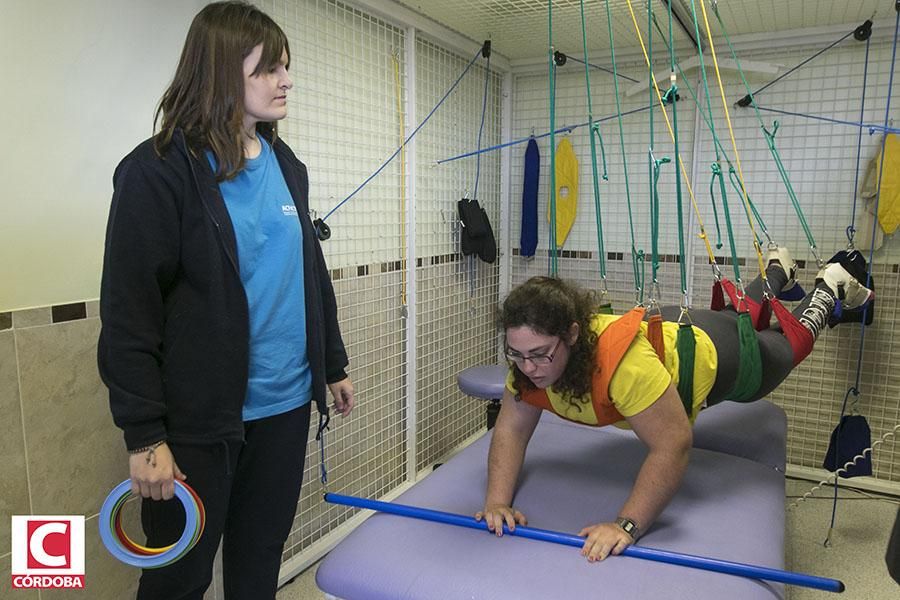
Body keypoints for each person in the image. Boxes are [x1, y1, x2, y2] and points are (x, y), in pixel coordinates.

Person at [97, 3, 354, 598]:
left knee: (257, 564)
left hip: (285, 409)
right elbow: (128, 313)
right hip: (198, 426)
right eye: (269, 68)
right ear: (218, 70)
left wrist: (332, 363)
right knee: (178, 578)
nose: (286, 80)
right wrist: (144, 436)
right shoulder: (156, 172)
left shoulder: (288, 164)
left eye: (286, 67)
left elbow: (307, 271)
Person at [476, 247, 874, 563]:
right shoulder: (529, 366)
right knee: (738, 315)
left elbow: (673, 443)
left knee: (783, 347)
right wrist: (496, 501)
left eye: (541, 354)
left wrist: (626, 526)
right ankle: (778, 269)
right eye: (517, 354)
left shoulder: (624, 370)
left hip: (715, 354)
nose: (528, 367)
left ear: (573, 334)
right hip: (666, 327)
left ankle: (829, 286)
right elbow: (510, 428)